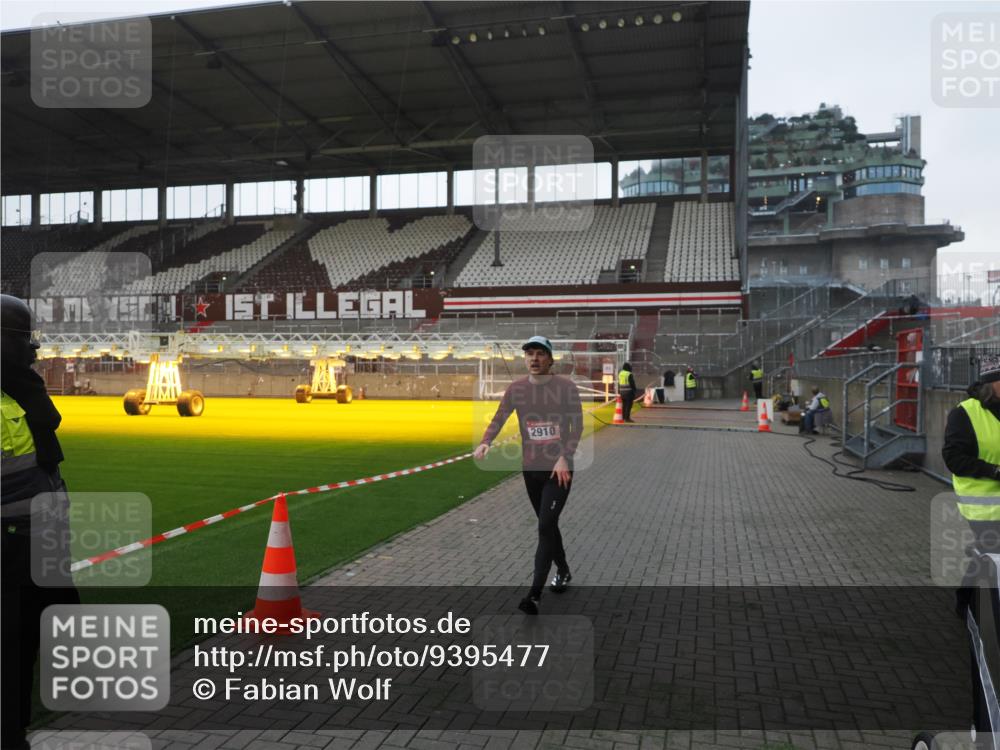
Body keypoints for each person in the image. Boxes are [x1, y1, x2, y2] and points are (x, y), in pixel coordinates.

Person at [1, 294, 79, 750]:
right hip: (8, 555)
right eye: (23, 341)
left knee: (30, 652)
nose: (33, 352)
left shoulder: (20, 392)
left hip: (37, 547)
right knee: (10, 659)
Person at [474, 336, 583, 615]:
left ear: (550, 359)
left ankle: (534, 595)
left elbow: (577, 426)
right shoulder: (517, 389)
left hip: (559, 471)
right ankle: (564, 570)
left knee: (545, 524)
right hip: (531, 469)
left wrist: (564, 457)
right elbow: (500, 416)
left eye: (540, 354)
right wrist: (487, 440)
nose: (534, 358)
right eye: (529, 354)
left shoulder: (566, 388)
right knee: (548, 525)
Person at [943, 353, 1000, 615]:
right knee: (993, 555)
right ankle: (973, 606)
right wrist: (993, 471)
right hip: (983, 504)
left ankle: (964, 598)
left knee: (986, 555)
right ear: (993, 382)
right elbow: (953, 458)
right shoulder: (964, 413)